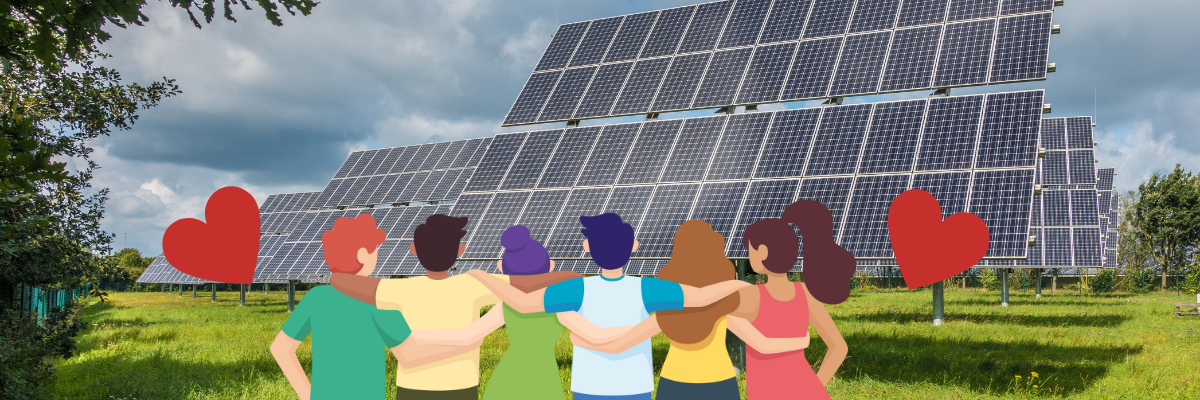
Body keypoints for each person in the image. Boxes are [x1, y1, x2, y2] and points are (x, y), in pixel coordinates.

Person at [466, 213, 750, 400]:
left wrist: (482, 276)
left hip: (589, 388)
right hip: (635, 387)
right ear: (634, 246)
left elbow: (524, 303)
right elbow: (700, 297)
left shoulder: (576, 288)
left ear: (587, 247)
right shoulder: (647, 287)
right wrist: (739, 284)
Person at [570, 220, 811, 400]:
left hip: (675, 384)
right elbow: (763, 344)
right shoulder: (723, 310)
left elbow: (620, 344)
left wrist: (582, 338)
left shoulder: (668, 314)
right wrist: (802, 340)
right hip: (721, 384)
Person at [270, 214, 475, 400]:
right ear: (361, 255)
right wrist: (464, 343)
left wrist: (308, 395)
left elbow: (280, 349)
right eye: (374, 250)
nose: (377, 256)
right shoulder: (378, 300)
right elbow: (411, 357)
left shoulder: (315, 297)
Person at [329, 214, 509, 400]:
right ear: (460, 250)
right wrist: (492, 274)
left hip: (412, 388)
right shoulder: (473, 284)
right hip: (461, 388)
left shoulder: (401, 289)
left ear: (413, 250)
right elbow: (530, 284)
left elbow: (339, 280)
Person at [410, 225, 582, 400]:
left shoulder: (507, 305)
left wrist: (414, 334)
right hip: (544, 383)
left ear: (502, 268)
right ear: (550, 266)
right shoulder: (559, 305)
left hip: (505, 383)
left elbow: (466, 336)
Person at [734, 200, 855, 399]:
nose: (749, 256)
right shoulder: (805, 293)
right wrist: (814, 388)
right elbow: (839, 347)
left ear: (763, 252)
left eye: (751, 251)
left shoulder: (751, 295)